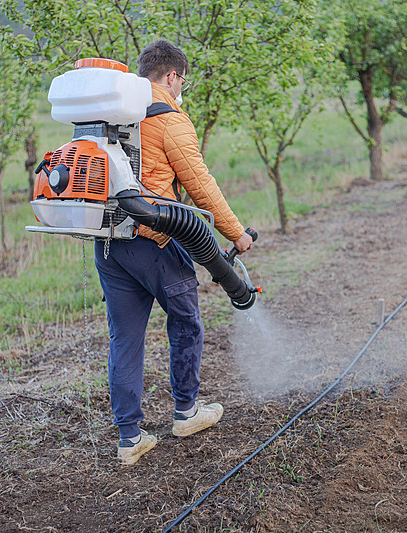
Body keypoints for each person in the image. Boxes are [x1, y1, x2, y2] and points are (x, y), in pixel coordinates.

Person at [94, 39, 253, 465]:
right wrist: (235, 233)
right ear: (171, 76)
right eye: (181, 80)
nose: (181, 87)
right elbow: (200, 185)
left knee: (123, 339)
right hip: (157, 241)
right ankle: (186, 411)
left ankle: (130, 438)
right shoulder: (169, 117)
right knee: (186, 323)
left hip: (109, 242)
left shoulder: (108, 112)